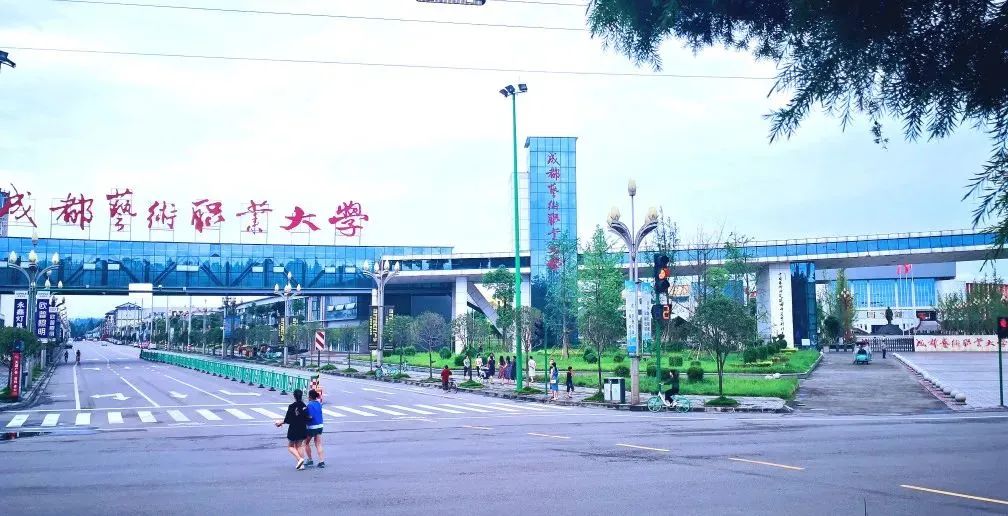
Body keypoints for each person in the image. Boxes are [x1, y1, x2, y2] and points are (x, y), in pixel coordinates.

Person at [274, 389, 310, 470]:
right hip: (302, 427)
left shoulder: (291, 406)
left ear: (294, 396)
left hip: (293, 428)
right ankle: (301, 465)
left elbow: (288, 420)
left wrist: (280, 423)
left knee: (290, 446)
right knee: (299, 446)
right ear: (301, 396)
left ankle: (299, 459)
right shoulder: (304, 406)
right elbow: (307, 418)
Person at [303, 389, 325, 469]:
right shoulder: (319, 404)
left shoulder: (310, 405)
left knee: (306, 443)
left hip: (312, 426)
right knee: (318, 443)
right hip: (320, 425)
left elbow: (310, 416)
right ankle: (321, 461)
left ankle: (310, 460)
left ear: (310, 397)